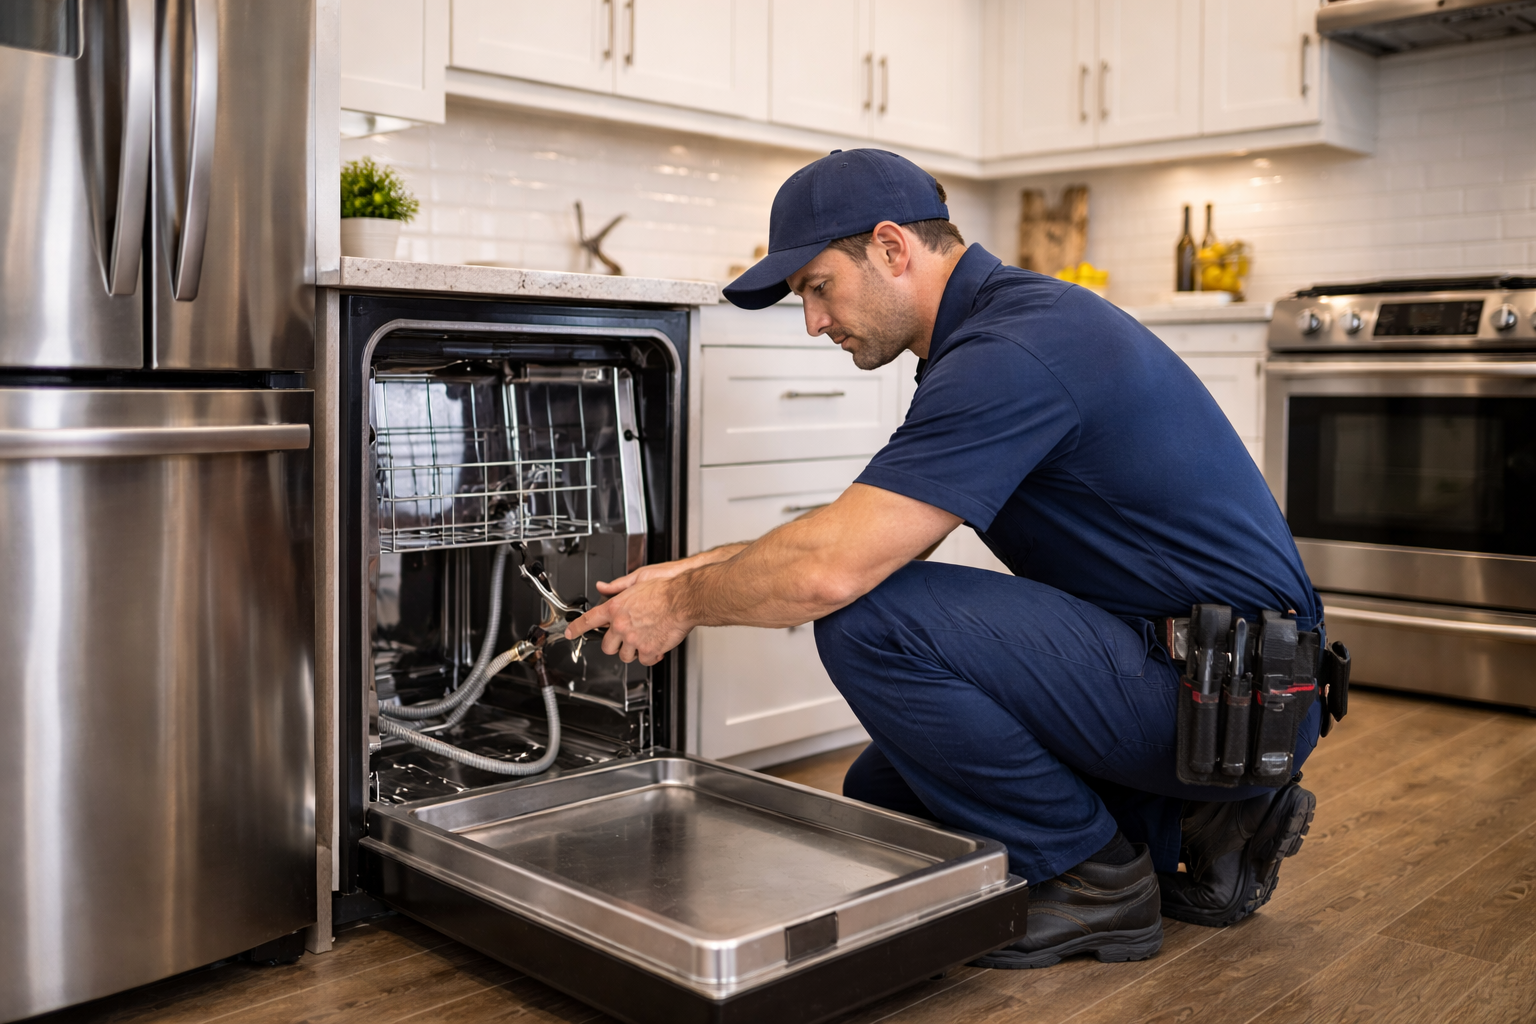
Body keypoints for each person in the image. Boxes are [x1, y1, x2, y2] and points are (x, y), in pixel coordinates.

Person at [565, 148, 1322, 969]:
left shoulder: (1012, 352)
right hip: (1217, 682)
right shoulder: (1000, 329)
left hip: (1222, 695)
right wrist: (682, 573)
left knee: (866, 617)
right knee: (885, 793)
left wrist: (679, 606)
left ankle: (1097, 883)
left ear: (892, 249)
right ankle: (1202, 822)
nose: (814, 321)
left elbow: (835, 570)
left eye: (818, 287)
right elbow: (874, 529)